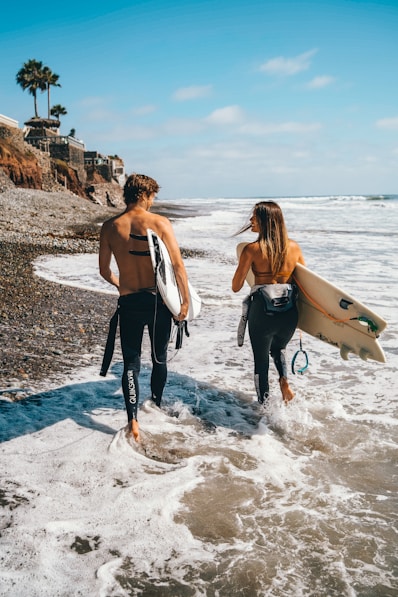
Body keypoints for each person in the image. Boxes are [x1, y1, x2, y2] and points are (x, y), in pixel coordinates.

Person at [99, 173, 189, 442]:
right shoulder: (159, 223)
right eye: (152, 197)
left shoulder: (110, 226)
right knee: (158, 358)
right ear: (145, 195)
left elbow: (104, 271)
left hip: (129, 303)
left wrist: (121, 286)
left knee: (131, 363)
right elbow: (177, 266)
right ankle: (157, 405)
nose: (152, 202)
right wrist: (184, 301)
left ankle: (133, 421)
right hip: (157, 304)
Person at [232, 201, 305, 404]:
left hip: (262, 313)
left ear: (265, 221)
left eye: (254, 216)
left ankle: (263, 410)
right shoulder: (294, 247)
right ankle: (284, 382)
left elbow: (236, 286)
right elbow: (305, 284)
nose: (250, 220)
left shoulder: (252, 249)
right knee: (278, 349)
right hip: (290, 314)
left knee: (261, 364)